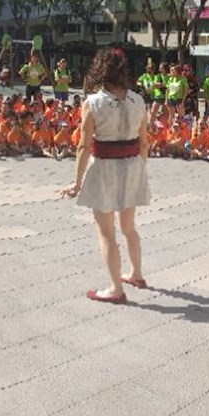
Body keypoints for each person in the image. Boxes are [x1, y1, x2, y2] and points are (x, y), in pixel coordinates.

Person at [61, 48, 150, 304]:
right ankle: (136, 273)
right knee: (129, 227)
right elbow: (144, 143)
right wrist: (138, 169)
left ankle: (115, 288)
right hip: (132, 165)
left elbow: (83, 145)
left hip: (104, 168)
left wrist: (77, 182)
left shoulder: (93, 103)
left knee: (106, 233)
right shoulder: (138, 100)